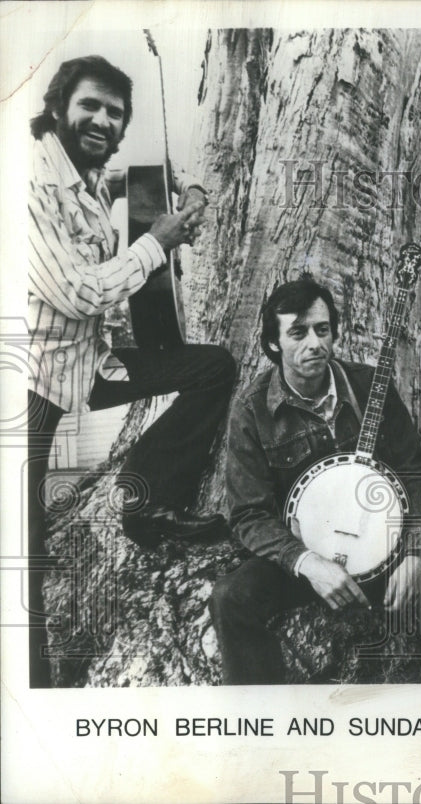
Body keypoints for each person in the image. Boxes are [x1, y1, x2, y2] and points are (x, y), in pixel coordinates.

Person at [26, 56, 236, 687]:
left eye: (116, 113)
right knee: (25, 543)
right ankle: (37, 679)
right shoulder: (31, 181)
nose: (103, 120)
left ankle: (144, 501)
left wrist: (189, 190)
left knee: (213, 369)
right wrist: (159, 243)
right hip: (34, 384)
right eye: (91, 105)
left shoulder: (89, 174)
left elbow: (149, 176)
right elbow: (79, 294)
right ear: (59, 105)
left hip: (93, 363)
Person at [211, 277, 421, 684]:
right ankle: (266, 724)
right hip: (308, 561)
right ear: (273, 343)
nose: (314, 342)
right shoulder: (253, 410)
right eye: (298, 333)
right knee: (231, 599)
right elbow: (248, 514)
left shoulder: (372, 386)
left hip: (390, 547)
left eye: (322, 329)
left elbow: (418, 474)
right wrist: (308, 564)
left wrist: (416, 553)